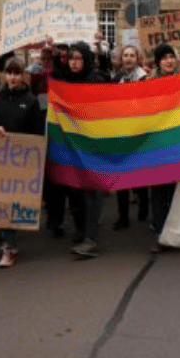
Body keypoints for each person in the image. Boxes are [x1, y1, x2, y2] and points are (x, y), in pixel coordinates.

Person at [0, 57, 46, 268]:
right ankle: (8, 243)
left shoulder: (32, 100)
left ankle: (9, 247)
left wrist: (20, 139)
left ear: (22, 76)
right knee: (1, 201)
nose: (12, 77)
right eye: (9, 73)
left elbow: (37, 132)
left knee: (12, 202)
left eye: (16, 74)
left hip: (20, 159)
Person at [52, 40, 112, 257]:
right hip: (73, 145)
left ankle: (90, 238)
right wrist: (51, 52)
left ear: (86, 60)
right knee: (76, 190)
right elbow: (54, 76)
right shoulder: (66, 81)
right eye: (71, 59)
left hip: (93, 145)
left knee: (91, 192)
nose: (74, 63)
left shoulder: (96, 81)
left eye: (78, 59)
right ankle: (83, 231)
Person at [112, 44, 150, 230]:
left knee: (139, 175)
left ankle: (143, 207)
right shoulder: (117, 78)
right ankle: (123, 216)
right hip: (121, 132)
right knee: (120, 176)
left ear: (137, 58)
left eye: (132, 55)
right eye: (125, 55)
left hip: (139, 132)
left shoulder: (144, 78)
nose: (128, 58)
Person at [148, 43, 180, 251]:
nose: (169, 61)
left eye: (171, 57)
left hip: (178, 142)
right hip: (158, 144)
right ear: (158, 63)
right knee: (159, 191)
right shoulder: (149, 84)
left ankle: (176, 231)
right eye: (164, 58)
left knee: (177, 191)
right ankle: (161, 233)